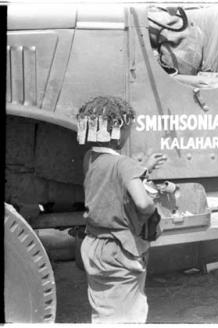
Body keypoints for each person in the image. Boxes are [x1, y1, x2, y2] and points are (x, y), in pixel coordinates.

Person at [77, 96, 166, 323]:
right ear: (119, 131)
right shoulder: (125, 165)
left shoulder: (90, 158)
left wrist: (143, 167)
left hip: (94, 246)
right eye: (128, 128)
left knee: (104, 310)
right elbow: (143, 203)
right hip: (121, 250)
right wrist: (153, 207)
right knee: (128, 315)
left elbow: (109, 177)